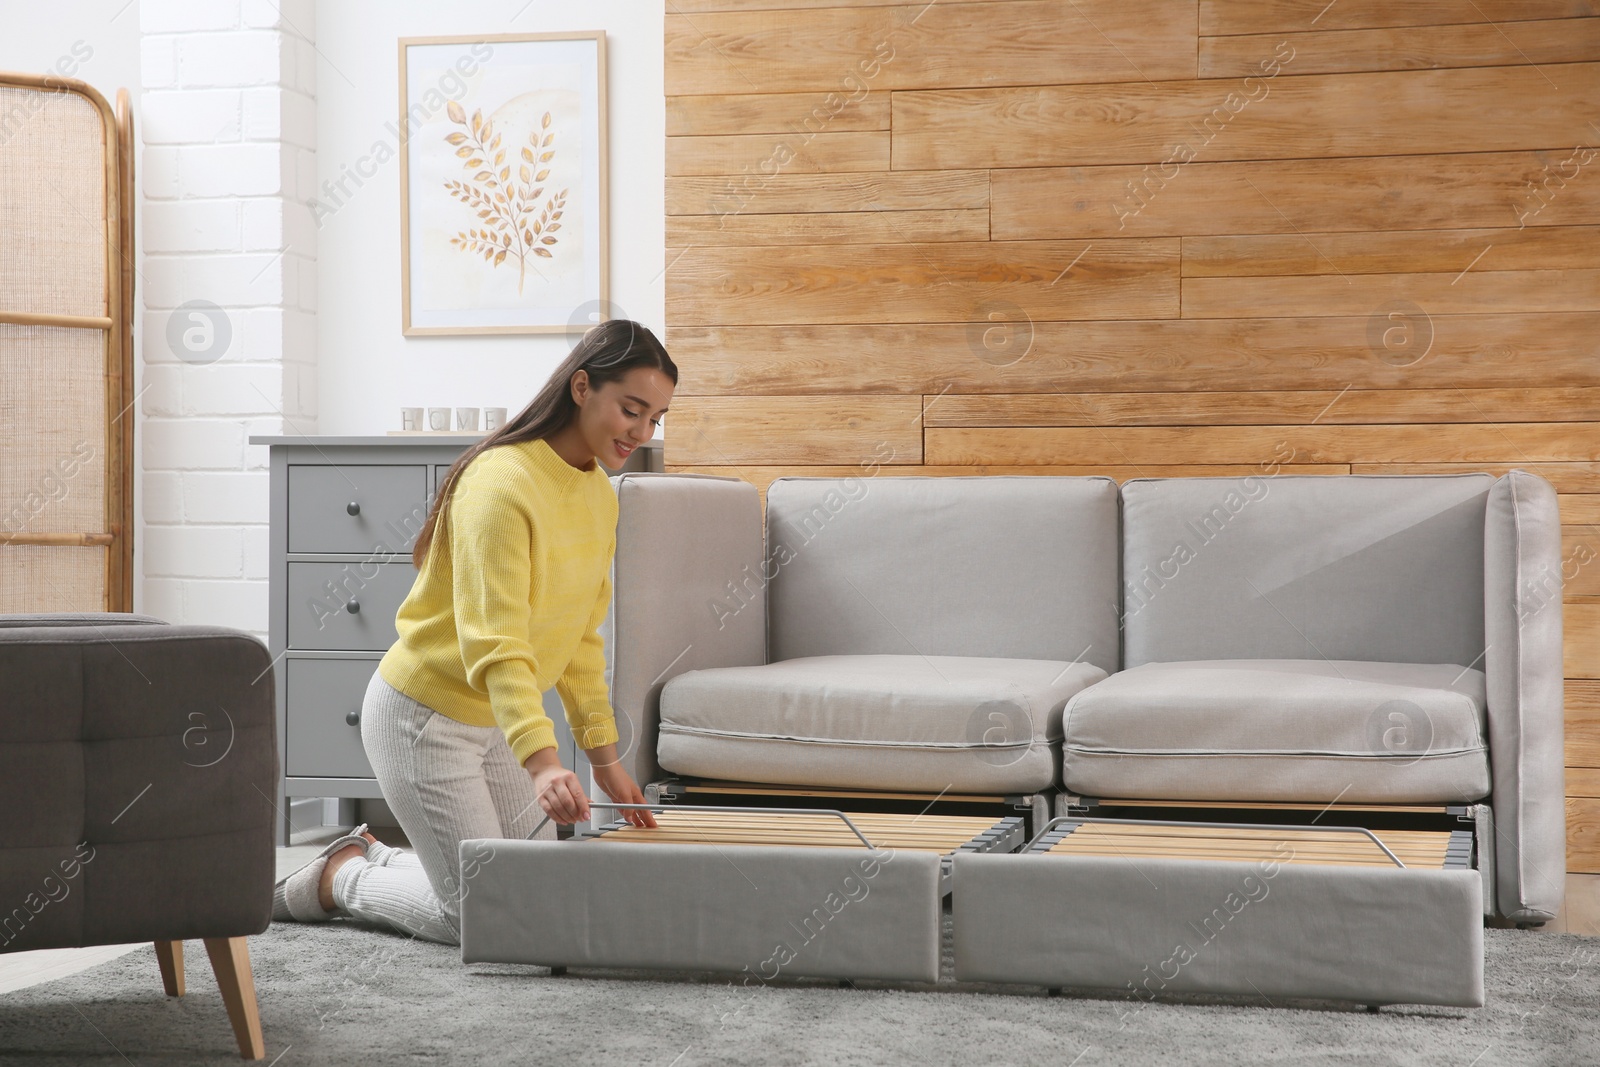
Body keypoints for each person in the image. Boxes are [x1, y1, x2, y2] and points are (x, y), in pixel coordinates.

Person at [272, 319, 673, 944]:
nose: (642, 433)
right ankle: (339, 878)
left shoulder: (599, 493)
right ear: (581, 387)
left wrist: (606, 761)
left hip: (492, 723)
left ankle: (380, 857)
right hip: (423, 719)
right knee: (486, 916)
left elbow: (579, 639)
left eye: (656, 418)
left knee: (535, 896)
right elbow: (497, 643)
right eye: (631, 410)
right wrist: (543, 764)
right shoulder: (501, 484)